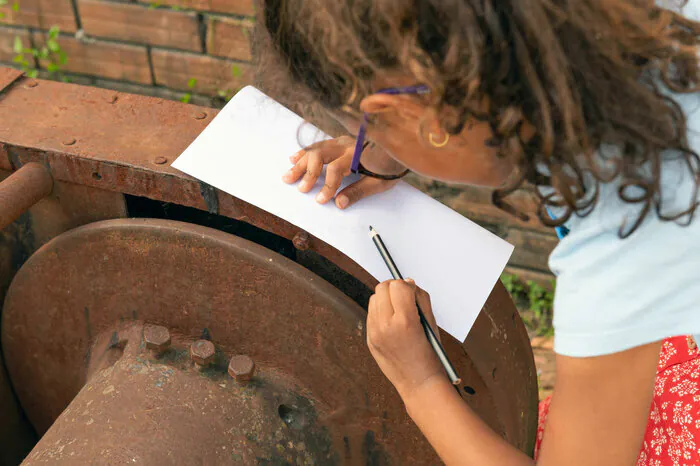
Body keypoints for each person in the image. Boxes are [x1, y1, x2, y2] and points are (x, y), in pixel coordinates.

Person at [260, 0, 700, 464]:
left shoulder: (631, 230)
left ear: (423, 115)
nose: (371, 147)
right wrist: (401, 147)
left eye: (376, 130)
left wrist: (421, 384)